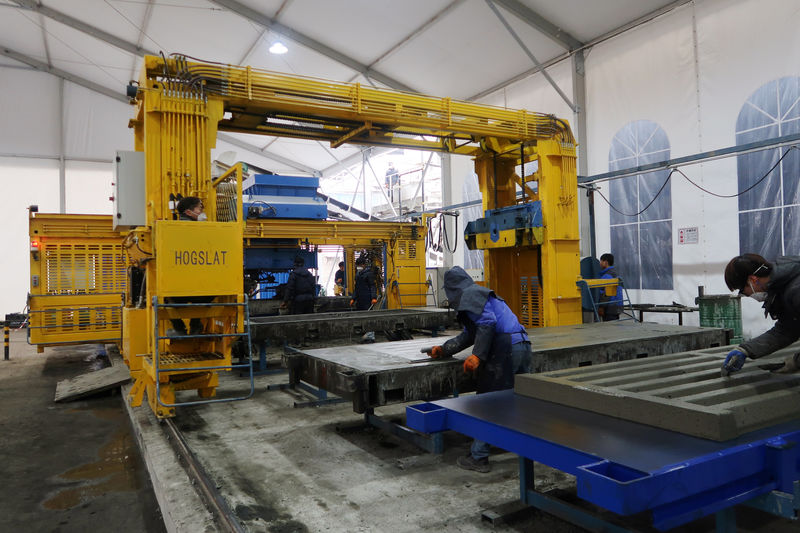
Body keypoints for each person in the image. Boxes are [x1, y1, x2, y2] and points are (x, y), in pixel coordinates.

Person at [422, 266, 531, 473]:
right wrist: (444, 350)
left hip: (506, 350)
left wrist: (477, 356)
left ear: (453, 288)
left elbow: (488, 323)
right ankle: (527, 449)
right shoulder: (480, 296)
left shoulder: (470, 295)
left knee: (487, 403)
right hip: (522, 346)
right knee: (519, 402)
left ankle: (479, 457)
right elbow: (470, 334)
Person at [721, 253, 800, 375]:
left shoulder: (796, 290)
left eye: (742, 290)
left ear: (753, 279)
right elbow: (787, 329)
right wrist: (745, 349)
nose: (746, 295)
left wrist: (796, 362)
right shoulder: (782, 286)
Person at [167, 196, 207, 337]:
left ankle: (180, 329)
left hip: (174, 291)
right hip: (198, 289)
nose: (202, 212)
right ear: (189, 212)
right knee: (208, 293)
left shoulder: (170, 229)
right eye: (200, 208)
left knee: (166, 298)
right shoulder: (197, 230)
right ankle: (195, 325)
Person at [351, 256, 378, 342]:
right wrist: (353, 298)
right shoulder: (358, 274)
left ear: (363, 265)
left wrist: (373, 297)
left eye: (359, 265)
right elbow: (356, 288)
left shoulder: (369, 274)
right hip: (360, 299)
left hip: (367, 299)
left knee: (368, 316)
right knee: (362, 317)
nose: (358, 267)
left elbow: (372, 286)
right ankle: (366, 334)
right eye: (357, 265)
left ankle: (371, 335)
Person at [598, 253, 623, 321]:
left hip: (609, 308)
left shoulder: (607, 276)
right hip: (617, 306)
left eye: (601, 261)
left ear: (605, 262)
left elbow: (606, 294)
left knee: (608, 329)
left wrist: (601, 307)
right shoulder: (616, 274)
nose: (600, 263)